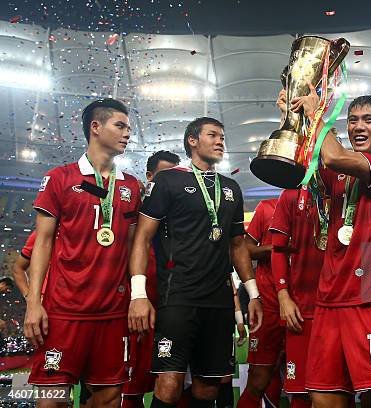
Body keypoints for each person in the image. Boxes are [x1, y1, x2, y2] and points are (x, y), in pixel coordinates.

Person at [288, 86, 371, 408]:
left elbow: (334, 154)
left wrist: (316, 112)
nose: (358, 126)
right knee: (325, 398)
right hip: (329, 298)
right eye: (352, 120)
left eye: (368, 120)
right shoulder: (334, 173)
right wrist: (292, 116)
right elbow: (305, 158)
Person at [128, 116, 263, 408]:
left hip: (218, 300)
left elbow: (237, 245)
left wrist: (253, 295)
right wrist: (138, 294)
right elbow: (141, 238)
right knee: (169, 382)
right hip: (178, 295)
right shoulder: (167, 180)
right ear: (192, 141)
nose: (220, 142)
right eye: (213, 135)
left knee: (208, 388)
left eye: (222, 137)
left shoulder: (231, 188)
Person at [24, 98, 141, 408]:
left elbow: (132, 248)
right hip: (63, 311)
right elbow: (43, 244)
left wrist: (137, 296)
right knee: (51, 401)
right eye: (120, 125)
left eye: (128, 127)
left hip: (112, 313)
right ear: (95, 127)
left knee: (108, 398)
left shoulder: (132, 186)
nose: (127, 133)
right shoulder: (60, 178)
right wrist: (34, 303)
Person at [121, 151, 180, 408]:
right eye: (164, 175)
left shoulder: (180, 213)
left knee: (171, 383)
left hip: (171, 309)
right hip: (137, 307)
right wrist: (137, 296)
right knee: (129, 388)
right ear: (149, 177)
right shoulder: (136, 210)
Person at [268, 186, 327, 408]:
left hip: (340, 308)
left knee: (341, 390)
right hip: (302, 308)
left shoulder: (346, 188)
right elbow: (278, 250)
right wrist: (283, 296)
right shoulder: (291, 195)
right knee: (300, 392)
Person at [238, 197, 282, 408]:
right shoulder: (267, 207)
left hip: (305, 305)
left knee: (306, 385)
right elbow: (246, 249)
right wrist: (274, 249)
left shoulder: (319, 207)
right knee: (259, 378)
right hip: (269, 304)